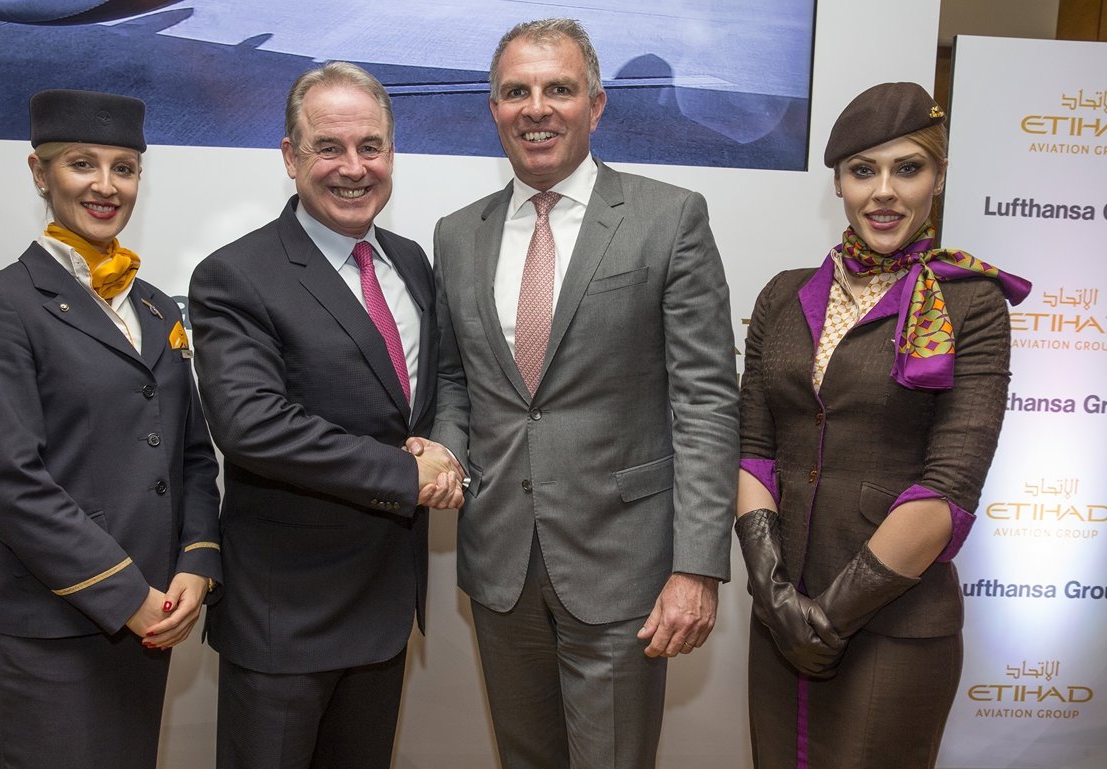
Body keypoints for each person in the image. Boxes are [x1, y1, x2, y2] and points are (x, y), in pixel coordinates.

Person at [421, 18, 739, 769]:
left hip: (625, 565)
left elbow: (705, 401)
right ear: (493, 109)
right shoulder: (456, 234)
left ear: (595, 105)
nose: (536, 108)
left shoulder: (670, 217)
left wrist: (697, 565)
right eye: (516, 92)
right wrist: (446, 451)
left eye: (558, 89)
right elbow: (458, 381)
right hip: (500, 564)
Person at [734, 81, 1031, 768]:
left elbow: (950, 485)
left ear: (939, 176)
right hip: (781, 616)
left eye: (908, 168)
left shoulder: (971, 302)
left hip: (896, 622)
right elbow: (754, 453)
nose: (884, 192)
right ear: (839, 182)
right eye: (863, 170)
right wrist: (776, 599)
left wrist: (827, 618)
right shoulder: (783, 295)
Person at [188, 62, 463, 769]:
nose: (353, 168)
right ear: (290, 156)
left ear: (392, 153)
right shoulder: (236, 274)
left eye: (371, 147)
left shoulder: (411, 262)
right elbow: (252, 424)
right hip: (287, 619)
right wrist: (405, 475)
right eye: (328, 148)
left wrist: (444, 455)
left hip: (385, 609)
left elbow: (429, 399)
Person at [0, 89, 222, 769]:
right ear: (39, 173)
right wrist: (126, 594)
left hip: (152, 620)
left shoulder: (157, 307)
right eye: (82, 164)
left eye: (123, 168)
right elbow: (11, 480)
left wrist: (196, 561)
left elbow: (191, 455)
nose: (106, 186)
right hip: (59, 625)